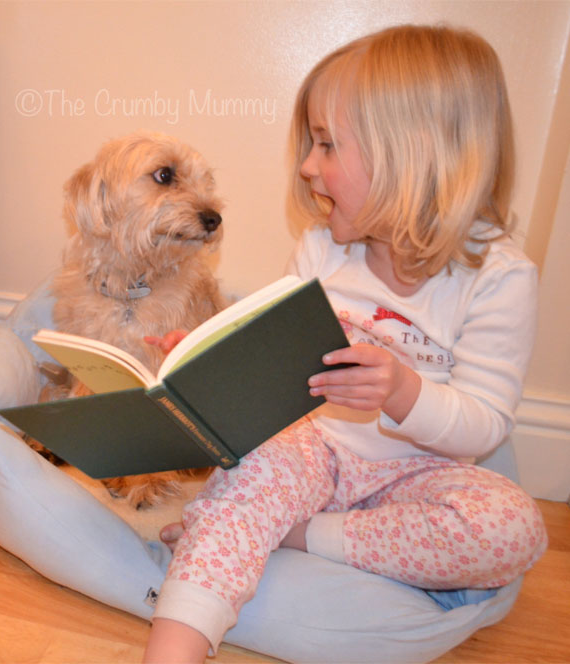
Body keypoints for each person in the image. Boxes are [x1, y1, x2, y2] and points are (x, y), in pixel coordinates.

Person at [143, 24, 548, 663]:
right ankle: (176, 645)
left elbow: (484, 426)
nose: (307, 165)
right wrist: (204, 350)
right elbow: (268, 344)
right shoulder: (322, 251)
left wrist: (404, 390)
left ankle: (296, 535)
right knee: (255, 470)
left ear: (413, 157)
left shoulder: (498, 279)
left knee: (514, 530)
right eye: (312, 143)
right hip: (314, 446)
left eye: (327, 145)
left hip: (422, 471)